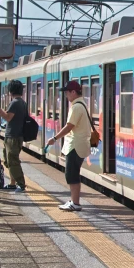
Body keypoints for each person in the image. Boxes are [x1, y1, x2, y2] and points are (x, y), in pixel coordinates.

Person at [46, 81, 91, 212]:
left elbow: (69, 126)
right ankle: (73, 201)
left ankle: (75, 203)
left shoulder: (76, 107)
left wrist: (55, 138)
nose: (66, 95)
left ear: (73, 92)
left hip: (75, 146)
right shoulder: (81, 104)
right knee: (72, 173)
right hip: (78, 144)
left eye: (67, 92)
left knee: (72, 174)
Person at [0, 79, 27, 193]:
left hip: (13, 136)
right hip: (16, 135)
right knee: (9, 160)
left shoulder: (15, 103)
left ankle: (21, 184)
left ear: (11, 91)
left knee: (13, 161)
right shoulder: (22, 102)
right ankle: (12, 183)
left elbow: (8, 117)